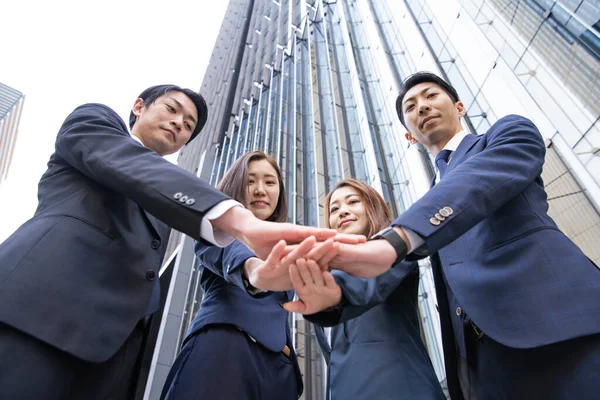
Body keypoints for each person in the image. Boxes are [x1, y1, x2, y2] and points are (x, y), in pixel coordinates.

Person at [0, 86, 349, 400]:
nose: (180, 124)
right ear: (138, 106)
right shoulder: (94, 123)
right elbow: (134, 169)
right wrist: (242, 227)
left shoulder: (168, 211)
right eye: (172, 110)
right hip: (37, 315)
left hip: (112, 359)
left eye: (188, 125)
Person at [313, 72, 600, 399]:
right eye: (411, 106)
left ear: (459, 106)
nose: (421, 107)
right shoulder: (425, 206)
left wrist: (395, 240)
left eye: (430, 96)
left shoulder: (505, 135)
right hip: (486, 370)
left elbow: (476, 182)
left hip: (560, 330)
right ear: (409, 136)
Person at [161, 150, 332, 400]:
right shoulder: (216, 230)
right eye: (250, 181)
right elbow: (231, 253)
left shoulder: (288, 248)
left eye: (270, 182)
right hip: (225, 353)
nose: (260, 190)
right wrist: (254, 270)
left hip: (279, 373)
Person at [284, 179, 445, 400]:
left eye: (353, 202)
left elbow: (364, 284)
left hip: (400, 390)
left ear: (373, 207)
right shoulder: (328, 276)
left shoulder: (392, 251)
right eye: (334, 209)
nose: (342, 212)